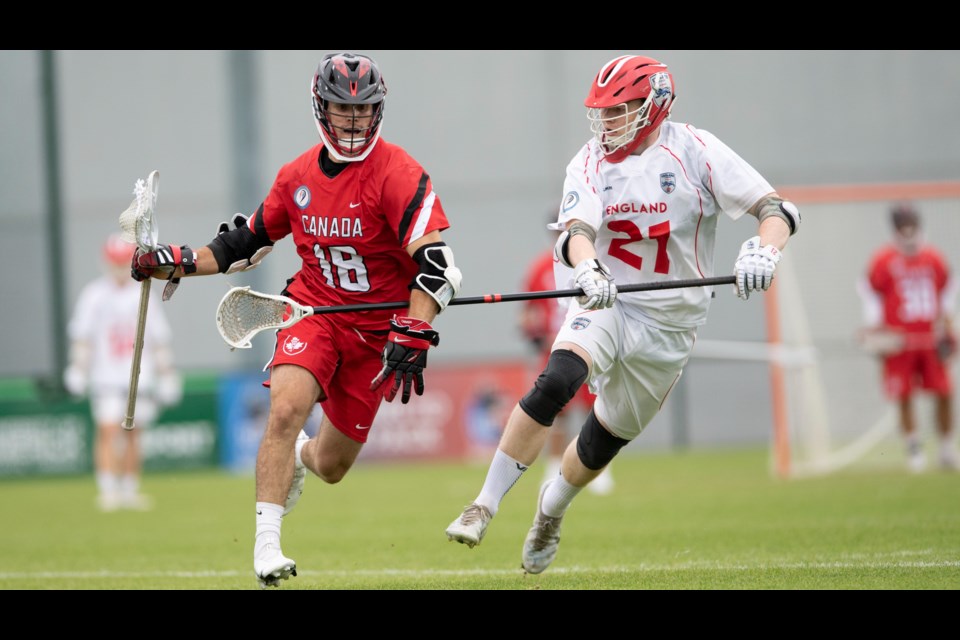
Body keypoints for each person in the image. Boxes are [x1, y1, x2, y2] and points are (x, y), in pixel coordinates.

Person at [445, 54, 800, 574]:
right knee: (558, 379)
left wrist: (764, 252)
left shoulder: (696, 151)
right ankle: (484, 503)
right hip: (611, 300)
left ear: (653, 106)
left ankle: (550, 510)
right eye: (602, 112)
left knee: (601, 441)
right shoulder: (589, 161)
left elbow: (776, 210)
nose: (606, 123)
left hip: (671, 325)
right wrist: (588, 270)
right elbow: (574, 233)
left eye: (618, 111)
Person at [130, 52, 462, 588]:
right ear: (320, 106)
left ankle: (302, 459)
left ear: (378, 112)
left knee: (332, 465)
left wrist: (417, 330)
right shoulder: (297, 176)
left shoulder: (400, 173)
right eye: (341, 108)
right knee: (284, 409)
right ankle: (267, 546)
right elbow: (242, 244)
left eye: (363, 111)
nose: (352, 121)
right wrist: (177, 260)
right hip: (314, 312)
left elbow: (437, 266)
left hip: (378, 331)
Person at [64, 233, 182, 512]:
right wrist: (78, 368)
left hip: (138, 376)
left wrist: (168, 374)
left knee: (133, 432)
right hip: (106, 376)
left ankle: (129, 488)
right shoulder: (94, 294)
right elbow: (83, 337)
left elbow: (158, 339)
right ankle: (108, 488)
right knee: (107, 430)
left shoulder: (142, 292)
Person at [858, 204, 957, 473]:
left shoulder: (934, 259)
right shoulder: (883, 260)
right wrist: (874, 326)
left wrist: (948, 326)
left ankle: (947, 448)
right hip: (899, 340)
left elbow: (947, 293)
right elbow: (869, 292)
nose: (908, 230)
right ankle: (914, 450)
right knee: (903, 394)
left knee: (945, 392)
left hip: (929, 338)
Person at [519, 241, 614, 495]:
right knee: (554, 411)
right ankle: (554, 467)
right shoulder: (541, 266)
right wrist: (536, 336)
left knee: (595, 409)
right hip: (555, 347)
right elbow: (528, 311)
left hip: (591, 343)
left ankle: (598, 470)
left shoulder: (598, 263)